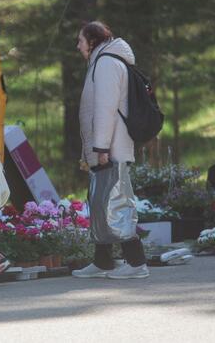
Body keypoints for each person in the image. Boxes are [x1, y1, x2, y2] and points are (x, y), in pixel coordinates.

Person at [72, 21, 149, 280]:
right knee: (100, 202)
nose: (78, 45)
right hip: (105, 147)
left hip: (111, 149)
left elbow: (105, 108)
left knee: (116, 203)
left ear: (92, 41)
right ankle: (103, 261)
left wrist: (101, 148)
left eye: (81, 40)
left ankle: (137, 262)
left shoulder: (105, 64)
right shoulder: (103, 61)